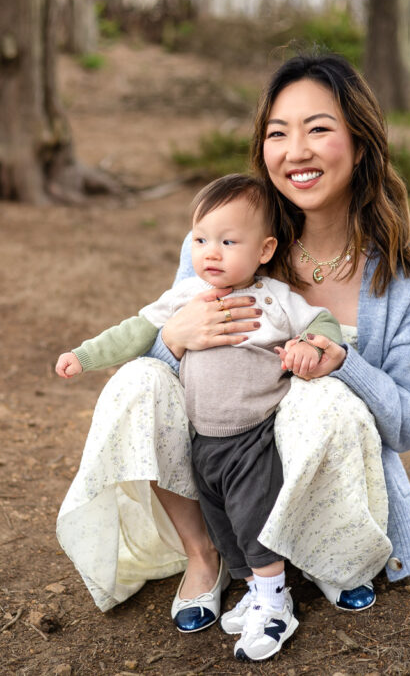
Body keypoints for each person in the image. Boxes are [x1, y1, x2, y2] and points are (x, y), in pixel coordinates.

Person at [56, 51, 410, 659]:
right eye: (278, 133)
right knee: (136, 381)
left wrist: (344, 364)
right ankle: (205, 554)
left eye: (319, 128)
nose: (296, 151)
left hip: (325, 480)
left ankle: (328, 559)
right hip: (221, 463)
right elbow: (166, 373)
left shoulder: (406, 276)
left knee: (318, 398)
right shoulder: (222, 239)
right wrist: (178, 336)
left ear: (361, 144)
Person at [56, 174, 356, 661]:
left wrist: (312, 343)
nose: (209, 253)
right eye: (200, 240)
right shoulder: (186, 296)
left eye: (227, 241)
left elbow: (319, 320)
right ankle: (251, 588)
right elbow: (134, 332)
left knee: (255, 519)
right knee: (225, 528)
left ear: (264, 250)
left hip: (256, 436)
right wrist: (85, 355)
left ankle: (276, 604)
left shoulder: (275, 298)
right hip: (204, 440)